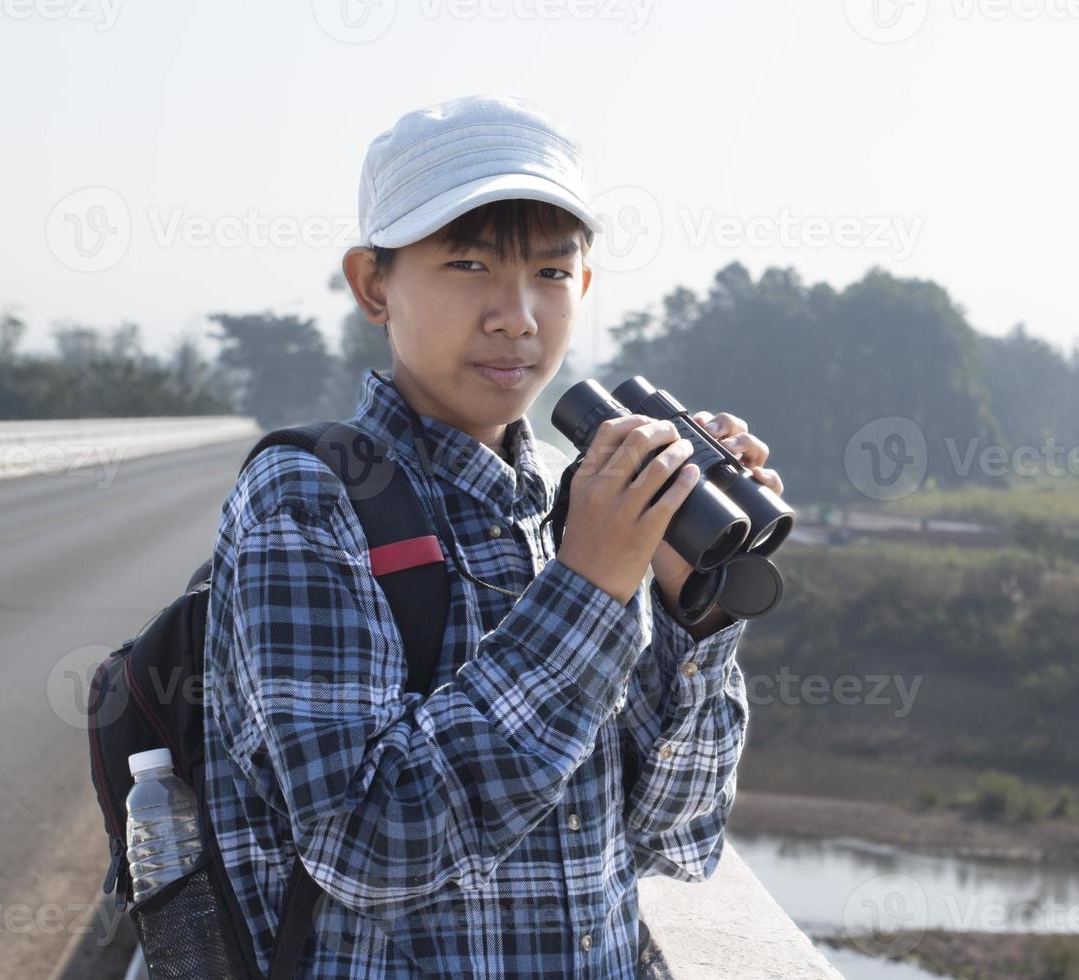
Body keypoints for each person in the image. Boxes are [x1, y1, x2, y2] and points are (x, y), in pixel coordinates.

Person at [202, 93, 784, 978]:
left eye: (552, 274)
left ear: (583, 287)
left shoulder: (568, 495)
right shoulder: (307, 500)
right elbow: (366, 846)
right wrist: (588, 590)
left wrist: (687, 607)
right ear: (373, 285)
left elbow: (677, 834)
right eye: (469, 264)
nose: (517, 314)